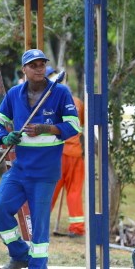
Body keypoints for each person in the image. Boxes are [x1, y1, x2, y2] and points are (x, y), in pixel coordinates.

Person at [0, 50, 80, 269]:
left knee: (39, 228)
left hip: (45, 172)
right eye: (33, 65)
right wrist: (4, 137)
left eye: (42, 64)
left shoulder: (59, 93)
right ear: (24, 70)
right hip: (20, 169)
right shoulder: (13, 94)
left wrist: (46, 128)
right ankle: (19, 254)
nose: (39, 68)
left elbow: (74, 126)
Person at [47, 66, 86, 237]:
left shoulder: (52, 102)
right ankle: (77, 227)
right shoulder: (78, 102)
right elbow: (81, 125)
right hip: (76, 153)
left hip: (58, 153)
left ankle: (36, 224)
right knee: (75, 190)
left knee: (50, 189)